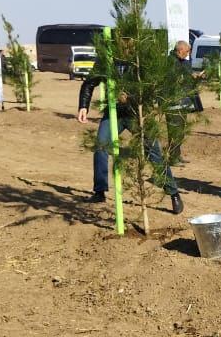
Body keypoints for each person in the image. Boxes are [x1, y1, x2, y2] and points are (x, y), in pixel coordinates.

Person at [76, 42, 184, 214]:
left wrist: (133, 96)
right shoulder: (107, 60)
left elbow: (154, 84)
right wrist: (83, 106)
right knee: (101, 145)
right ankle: (99, 191)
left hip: (138, 114)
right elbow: (89, 83)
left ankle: (173, 193)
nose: (127, 44)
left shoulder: (142, 59)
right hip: (114, 113)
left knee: (154, 152)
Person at [168, 40, 205, 165]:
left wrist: (197, 76)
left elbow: (188, 77)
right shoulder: (170, 62)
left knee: (180, 132)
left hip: (183, 102)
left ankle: (177, 155)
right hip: (173, 103)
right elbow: (174, 80)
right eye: (187, 51)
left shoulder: (184, 62)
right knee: (174, 131)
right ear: (180, 50)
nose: (188, 54)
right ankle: (172, 158)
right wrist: (189, 77)